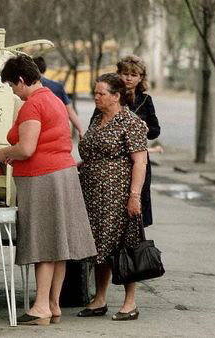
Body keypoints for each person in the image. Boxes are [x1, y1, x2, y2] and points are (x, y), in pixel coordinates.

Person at [0, 55, 97, 326]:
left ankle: (40, 305)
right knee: (57, 244)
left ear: (21, 80)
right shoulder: (53, 98)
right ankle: (53, 304)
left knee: (42, 243)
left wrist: (4, 153)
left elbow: (27, 148)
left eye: (11, 86)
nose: (13, 92)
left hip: (42, 177)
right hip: (63, 173)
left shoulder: (32, 105)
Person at [78, 73, 148, 321]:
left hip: (118, 195)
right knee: (99, 246)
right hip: (92, 193)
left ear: (116, 96)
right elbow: (91, 152)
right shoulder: (97, 118)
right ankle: (99, 298)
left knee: (124, 246)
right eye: (95, 93)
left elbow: (140, 161)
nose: (96, 97)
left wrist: (134, 196)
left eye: (101, 94)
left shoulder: (131, 122)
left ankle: (130, 302)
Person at [90, 55, 160, 226]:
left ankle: (134, 247)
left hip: (137, 160)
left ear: (141, 78)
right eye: (125, 73)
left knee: (135, 210)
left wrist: (145, 128)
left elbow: (155, 131)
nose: (129, 78)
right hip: (111, 163)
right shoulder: (107, 97)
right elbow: (94, 126)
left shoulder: (145, 100)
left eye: (134, 75)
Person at [33, 56, 85, 138]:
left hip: (35, 131)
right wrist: (81, 130)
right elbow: (70, 111)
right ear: (45, 69)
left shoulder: (27, 86)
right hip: (56, 132)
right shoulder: (57, 87)